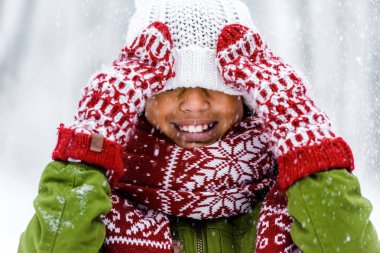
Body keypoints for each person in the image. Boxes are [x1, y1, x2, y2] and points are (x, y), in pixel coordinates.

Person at [18, 0, 380, 252]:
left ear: (247, 94)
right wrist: (90, 145)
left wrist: (302, 132)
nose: (193, 103)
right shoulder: (101, 201)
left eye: (216, 86)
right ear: (138, 96)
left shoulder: (294, 199)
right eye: (171, 87)